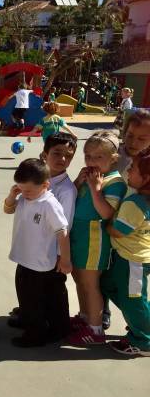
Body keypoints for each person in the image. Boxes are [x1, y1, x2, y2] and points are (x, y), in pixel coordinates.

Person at [8, 133, 78, 332]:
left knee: (51, 291)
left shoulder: (65, 190)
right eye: (57, 153)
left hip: (49, 254)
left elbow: (65, 225)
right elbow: (13, 207)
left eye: (68, 155)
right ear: (44, 154)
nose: (63, 158)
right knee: (29, 287)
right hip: (29, 249)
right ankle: (29, 315)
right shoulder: (33, 179)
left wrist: (61, 257)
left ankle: (55, 328)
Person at [67, 131, 128, 346]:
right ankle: (85, 317)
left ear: (113, 158)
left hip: (94, 241)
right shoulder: (91, 176)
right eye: (88, 156)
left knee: (91, 284)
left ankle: (95, 328)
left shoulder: (114, 182)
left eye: (98, 157)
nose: (91, 161)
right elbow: (72, 198)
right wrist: (78, 182)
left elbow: (106, 213)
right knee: (79, 280)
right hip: (78, 237)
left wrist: (94, 188)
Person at [101, 150, 150, 357]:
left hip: (133, 260)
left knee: (134, 300)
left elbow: (118, 231)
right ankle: (141, 321)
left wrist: (106, 225)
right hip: (128, 258)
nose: (128, 170)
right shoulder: (141, 198)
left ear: (146, 178)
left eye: (133, 168)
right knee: (108, 285)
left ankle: (143, 341)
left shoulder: (134, 203)